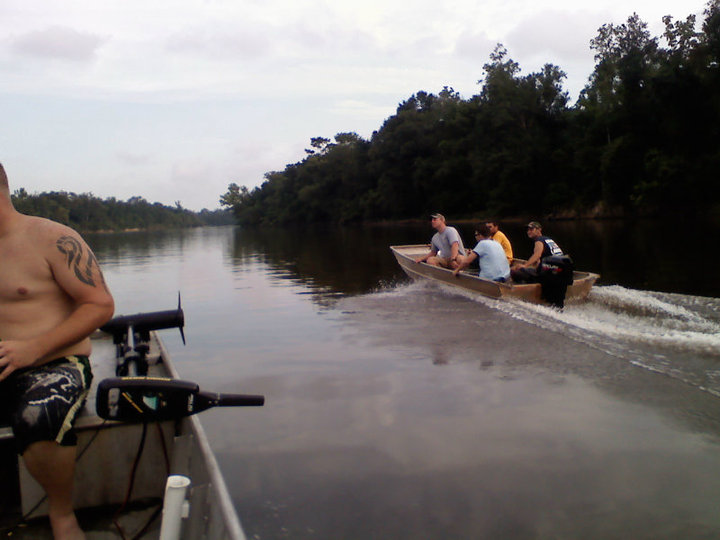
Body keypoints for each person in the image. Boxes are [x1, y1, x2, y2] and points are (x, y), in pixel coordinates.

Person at [0, 163, 115, 540]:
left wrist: (33, 348)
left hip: (53, 362)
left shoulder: (52, 238)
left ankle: (61, 514)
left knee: (39, 416)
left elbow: (99, 305)